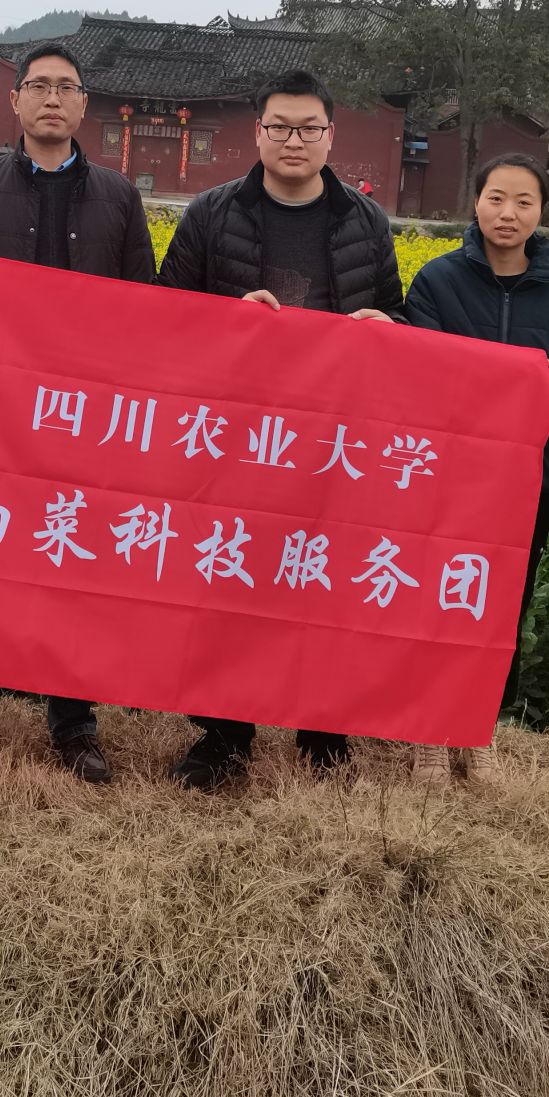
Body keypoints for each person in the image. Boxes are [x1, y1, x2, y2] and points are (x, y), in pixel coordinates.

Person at [0, 42, 157, 785]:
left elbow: (145, 311)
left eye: (67, 87)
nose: (52, 98)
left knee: (71, 559)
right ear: (16, 99)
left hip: (84, 420)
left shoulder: (119, 198)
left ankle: (74, 724)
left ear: (84, 105)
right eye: (39, 85)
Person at [157, 67, 405, 790]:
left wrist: (386, 326)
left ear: (330, 135)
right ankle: (224, 735)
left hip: (332, 438)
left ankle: (322, 731)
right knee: (231, 576)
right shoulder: (212, 214)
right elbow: (166, 314)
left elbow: (396, 313)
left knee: (322, 577)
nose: (294, 140)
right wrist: (227, 321)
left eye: (308, 128)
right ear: (258, 133)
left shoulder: (365, 221)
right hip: (236, 433)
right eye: (280, 127)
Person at [403, 151, 549, 781]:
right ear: (476, 203)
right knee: (435, 603)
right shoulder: (437, 282)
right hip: (446, 481)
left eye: (524, 202)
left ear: (542, 211)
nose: (508, 213)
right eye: (496, 198)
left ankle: (476, 731)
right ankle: (426, 735)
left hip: (526, 485)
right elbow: (416, 373)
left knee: (501, 611)